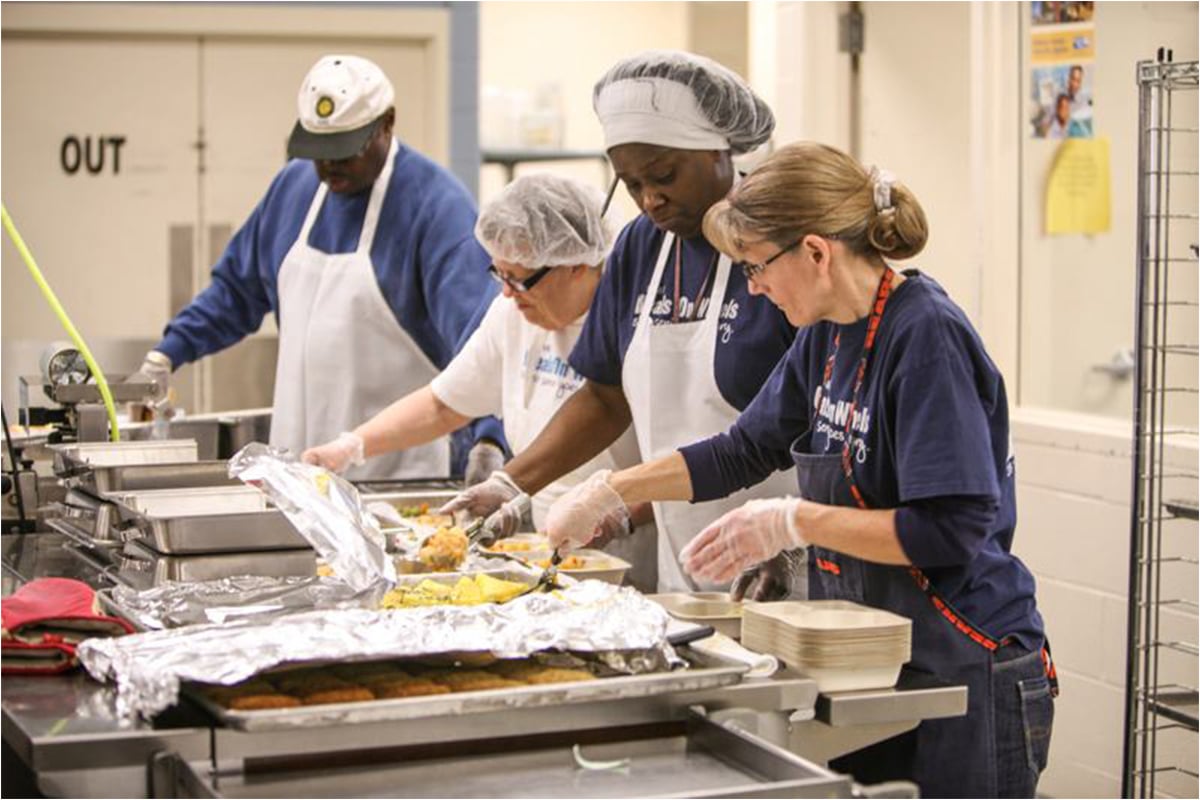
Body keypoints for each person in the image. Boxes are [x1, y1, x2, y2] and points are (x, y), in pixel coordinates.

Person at [547, 141, 1055, 798]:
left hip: (966, 661)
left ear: (816, 252)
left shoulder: (926, 337)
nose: (754, 288)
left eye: (756, 268)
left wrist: (794, 521)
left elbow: (948, 530)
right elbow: (742, 449)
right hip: (879, 660)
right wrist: (614, 490)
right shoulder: (827, 330)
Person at [439, 51, 801, 597]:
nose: (650, 199)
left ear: (717, 148)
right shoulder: (641, 248)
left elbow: (829, 423)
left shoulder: (783, 245)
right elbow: (606, 398)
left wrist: (791, 545)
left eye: (663, 175)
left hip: (786, 561)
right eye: (630, 183)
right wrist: (511, 483)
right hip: (687, 566)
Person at [133, 54, 505, 482]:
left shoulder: (436, 208)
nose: (330, 165)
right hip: (299, 470)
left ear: (387, 123)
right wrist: (169, 351)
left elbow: (480, 339)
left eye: (347, 150)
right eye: (319, 151)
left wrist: (490, 439)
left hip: (400, 477)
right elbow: (237, 290)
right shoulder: (293, 188)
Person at [300, 173, 657, 589]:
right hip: (544, 548)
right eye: (498, 274)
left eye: (520, 278)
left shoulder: (635, 323)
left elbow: (683, 458)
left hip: (625, 552)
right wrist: (350, 447)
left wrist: (619, 510)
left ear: (579, 265)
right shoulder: (514, 314)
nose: (507, 292)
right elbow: (445, 403)